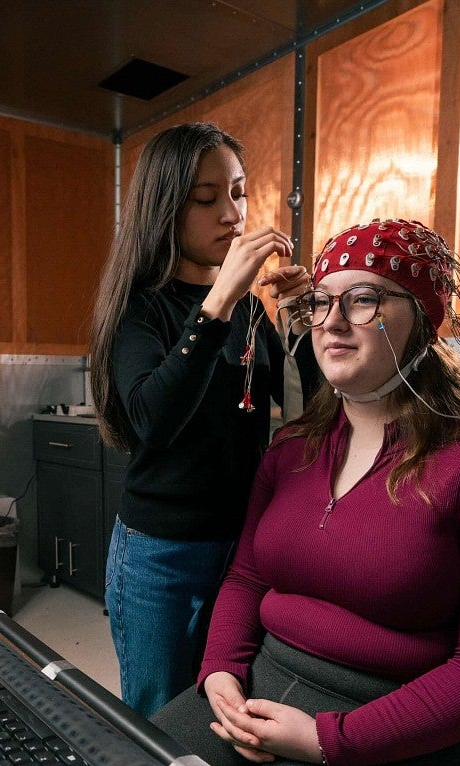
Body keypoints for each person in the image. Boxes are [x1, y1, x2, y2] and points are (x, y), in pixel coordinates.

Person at [150, 218, 460, 766]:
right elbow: (248, 578)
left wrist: (325, 741)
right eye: (321, 300)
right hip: (259, 687)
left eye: (365, 298)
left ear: (422, 320)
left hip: (404, 737)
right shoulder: (292, 448)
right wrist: (220, 672)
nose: (332, 320)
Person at [89, 122, 317, 717]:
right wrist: (215, 307)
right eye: (206, 198)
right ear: (166, 208)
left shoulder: (246, 307)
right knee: (160, 714)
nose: (232, 215)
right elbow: (150, 421)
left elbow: (313, 407)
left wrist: (304, 322)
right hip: (162, 552)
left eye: (239, 193)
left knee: (224, 704)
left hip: (242, 546)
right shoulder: (144, 307)